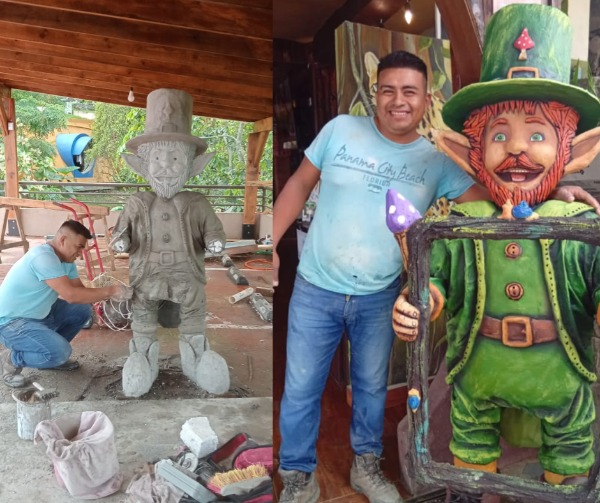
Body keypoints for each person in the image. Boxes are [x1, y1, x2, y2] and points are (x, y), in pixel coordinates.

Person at [273, 48, 600, 503]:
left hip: (379, 294)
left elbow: (498, 195)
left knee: (370, 388)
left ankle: (367, 466)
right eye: (388, 90)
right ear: (375, 93)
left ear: (425, 99)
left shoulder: (436, 161)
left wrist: (553, 189)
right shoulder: (339, 130)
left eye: (409, 91)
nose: (398, 100)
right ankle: (296, 473)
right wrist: (268, 245)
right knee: (300, 387)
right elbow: (298, 184)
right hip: (315, 287)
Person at [393, 3, 600, 498]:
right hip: (477, 372)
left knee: (570, 459)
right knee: (469, 457)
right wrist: (418, 302)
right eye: (499, 135)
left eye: (537, 134)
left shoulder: (580, 224)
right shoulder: (461, 223)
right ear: (471, 153)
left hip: (560, 377)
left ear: (574, 152)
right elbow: (435, 279)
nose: (516, 150)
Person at [111, 88, 229, 398]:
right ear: (143, 164)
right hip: (146, 276)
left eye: (175, 158)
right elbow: (121, 232)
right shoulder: (137, 202)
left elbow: (213, 231)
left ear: (192, 165)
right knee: (143, 317)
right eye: (157, 158)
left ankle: (196, 354)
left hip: (187, 277)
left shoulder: (197, 202)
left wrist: (215, 242)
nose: (166, 165)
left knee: (193, 318)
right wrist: (121, 241)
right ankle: (142, 354)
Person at [0, 220, 132, 388]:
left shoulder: (66, 261)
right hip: (11, 322)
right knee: (61, 352)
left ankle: (49, 357)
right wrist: (112, 291)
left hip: (38, 314)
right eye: (79, 247)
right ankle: (10, 359)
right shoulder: (43, 257)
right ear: (62, 240)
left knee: (82, 310)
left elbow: (80, 292)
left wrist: (106, 300)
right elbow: (71, 295)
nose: (81, 253)